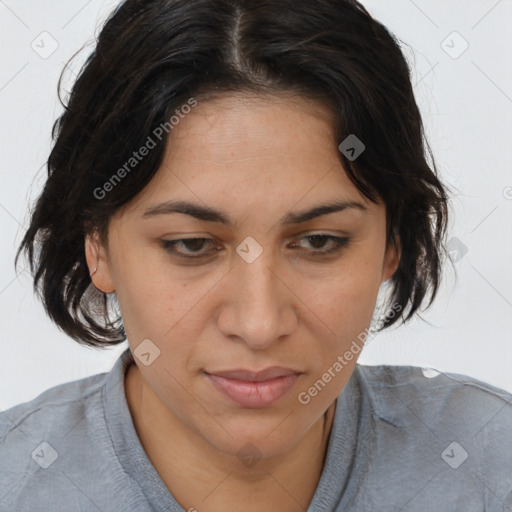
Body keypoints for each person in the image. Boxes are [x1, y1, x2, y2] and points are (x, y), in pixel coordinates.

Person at [1, 0, 511, 511]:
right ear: (98, 245)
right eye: (191, 245)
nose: (260, 324)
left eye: (319, 242)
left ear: (392, 244)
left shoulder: (489, 462)